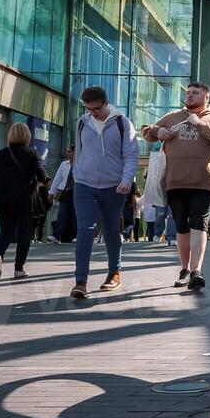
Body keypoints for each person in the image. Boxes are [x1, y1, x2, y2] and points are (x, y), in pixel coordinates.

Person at [142, 82, 210, 291]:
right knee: (181, 225)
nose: (189, 96)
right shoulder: (173, 116)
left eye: (195, 93)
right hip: (175, 181)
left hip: (204, 182)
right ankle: (184, 269)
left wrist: (199, 124)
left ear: (206, 97)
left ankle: (196, 270)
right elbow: (146, 132)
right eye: (188, 93)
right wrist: (158, 131)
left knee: (199, 223)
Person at [70, 86, 139, 300]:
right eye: (88, 109)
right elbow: (79, 151)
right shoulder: (82, 122)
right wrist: (76, 173)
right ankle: (80, 281)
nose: (93, 112)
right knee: (85, 229)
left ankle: (114, 273)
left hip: (114, 187)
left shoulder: (122, 123)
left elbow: (131, 154)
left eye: (96, 108)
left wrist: (126, 180)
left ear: (105, 102)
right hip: (84, 184)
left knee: (110, 229)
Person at [0, 122, 47, 280]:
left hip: (3, 198)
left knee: (6, 230)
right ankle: (19, 268)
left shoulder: (2, 153)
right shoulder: (32, 153)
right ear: (28, 136)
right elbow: (42, 176)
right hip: (25, 199)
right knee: (24, 234)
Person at [47, 145, 75, 243]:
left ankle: (76, 235)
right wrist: (51, 193)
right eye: (67, 151)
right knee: (62, 213)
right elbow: (57, 178)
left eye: (70, 152)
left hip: (76, 191)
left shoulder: (81, 164)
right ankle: (56, 235)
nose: (67, 153)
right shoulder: (64, 164)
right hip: (65, 192)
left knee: (75, 214)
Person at [142, 145, 169, 242]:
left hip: (172, 189)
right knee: (161, 214)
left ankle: (172, 236)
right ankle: (158, 234)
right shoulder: (157, 156)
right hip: (160, 191)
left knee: (172, 215)